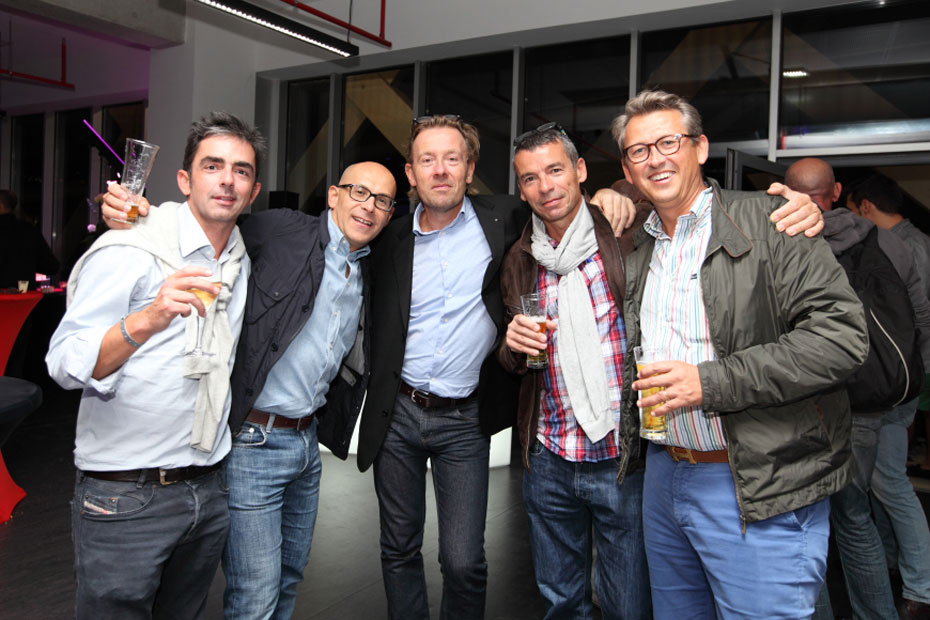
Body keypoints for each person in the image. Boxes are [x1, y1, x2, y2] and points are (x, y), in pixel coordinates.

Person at [355, 114, 640, 620]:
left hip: (465, 418)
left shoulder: (505, 219)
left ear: (470, 170)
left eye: (452, 159)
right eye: (427, 160)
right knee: (397, 547)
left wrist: (612, 195)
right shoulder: (388, 239)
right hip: (396, 414)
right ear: (411, 173)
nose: (440, 170)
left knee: (463, 560)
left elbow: (567, 202)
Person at [103, 162, 397, 618]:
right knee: (255, 593)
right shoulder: (281, 231)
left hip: (306, 445)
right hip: (254, 442)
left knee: (288, 579)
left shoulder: (367, 268)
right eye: (360, 192)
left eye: (382, 200)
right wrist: (141, 215)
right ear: (334, 195)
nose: (369, 207)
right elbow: (209, 226)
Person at [616, 90, 868, 618]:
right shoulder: (641, 246)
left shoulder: (774, 221)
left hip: (757, 479)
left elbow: (842, 337)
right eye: (639, 151)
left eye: (669, 142)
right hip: (664, 475)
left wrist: (710, 382)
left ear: (700, 147)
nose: (655, 159)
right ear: (627, 168)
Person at [46, 111, 263, 619]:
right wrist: (149, 318)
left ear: (253, 192)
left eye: (241, 171)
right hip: (125, 493)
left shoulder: (238, 261)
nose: (227, 180)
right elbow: (64, 362)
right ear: (185, 180)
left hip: (206, 489)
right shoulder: (131, 247)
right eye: (212, 166)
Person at [498, 124, 650, 619]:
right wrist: (512, 348)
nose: (545, 186)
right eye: (530, 178)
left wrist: (623, 191)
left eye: (555, 170)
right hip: (550, 456)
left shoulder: (625, 232)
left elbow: (667, 195)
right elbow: (515, 357)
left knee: (628, 604)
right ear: (521, 190)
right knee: (561, 603)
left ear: (580, 170)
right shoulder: (520, 259)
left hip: (622, 456)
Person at [789, 158, 930, 620]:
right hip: (875, 397)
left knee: (807, 523)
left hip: (810, 402)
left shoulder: (786, 242)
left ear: (784, 193)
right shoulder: (889, 242)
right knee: (855, 516)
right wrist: (908, 382)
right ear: (836, 192)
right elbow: (921, 318)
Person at [848, 174, 930, 619]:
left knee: (887, 485)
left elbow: (917, 321)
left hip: (894, 383)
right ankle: (895, 566)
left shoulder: (894, 245)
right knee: (884, 482)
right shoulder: (918, 241)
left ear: (864, 206)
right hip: (907, 381)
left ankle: (920, 585)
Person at [0, 189, 60, 288]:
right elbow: (52, 266)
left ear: (1, 206)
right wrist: (28, 264)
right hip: (24, 292)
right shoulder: (29, 230)